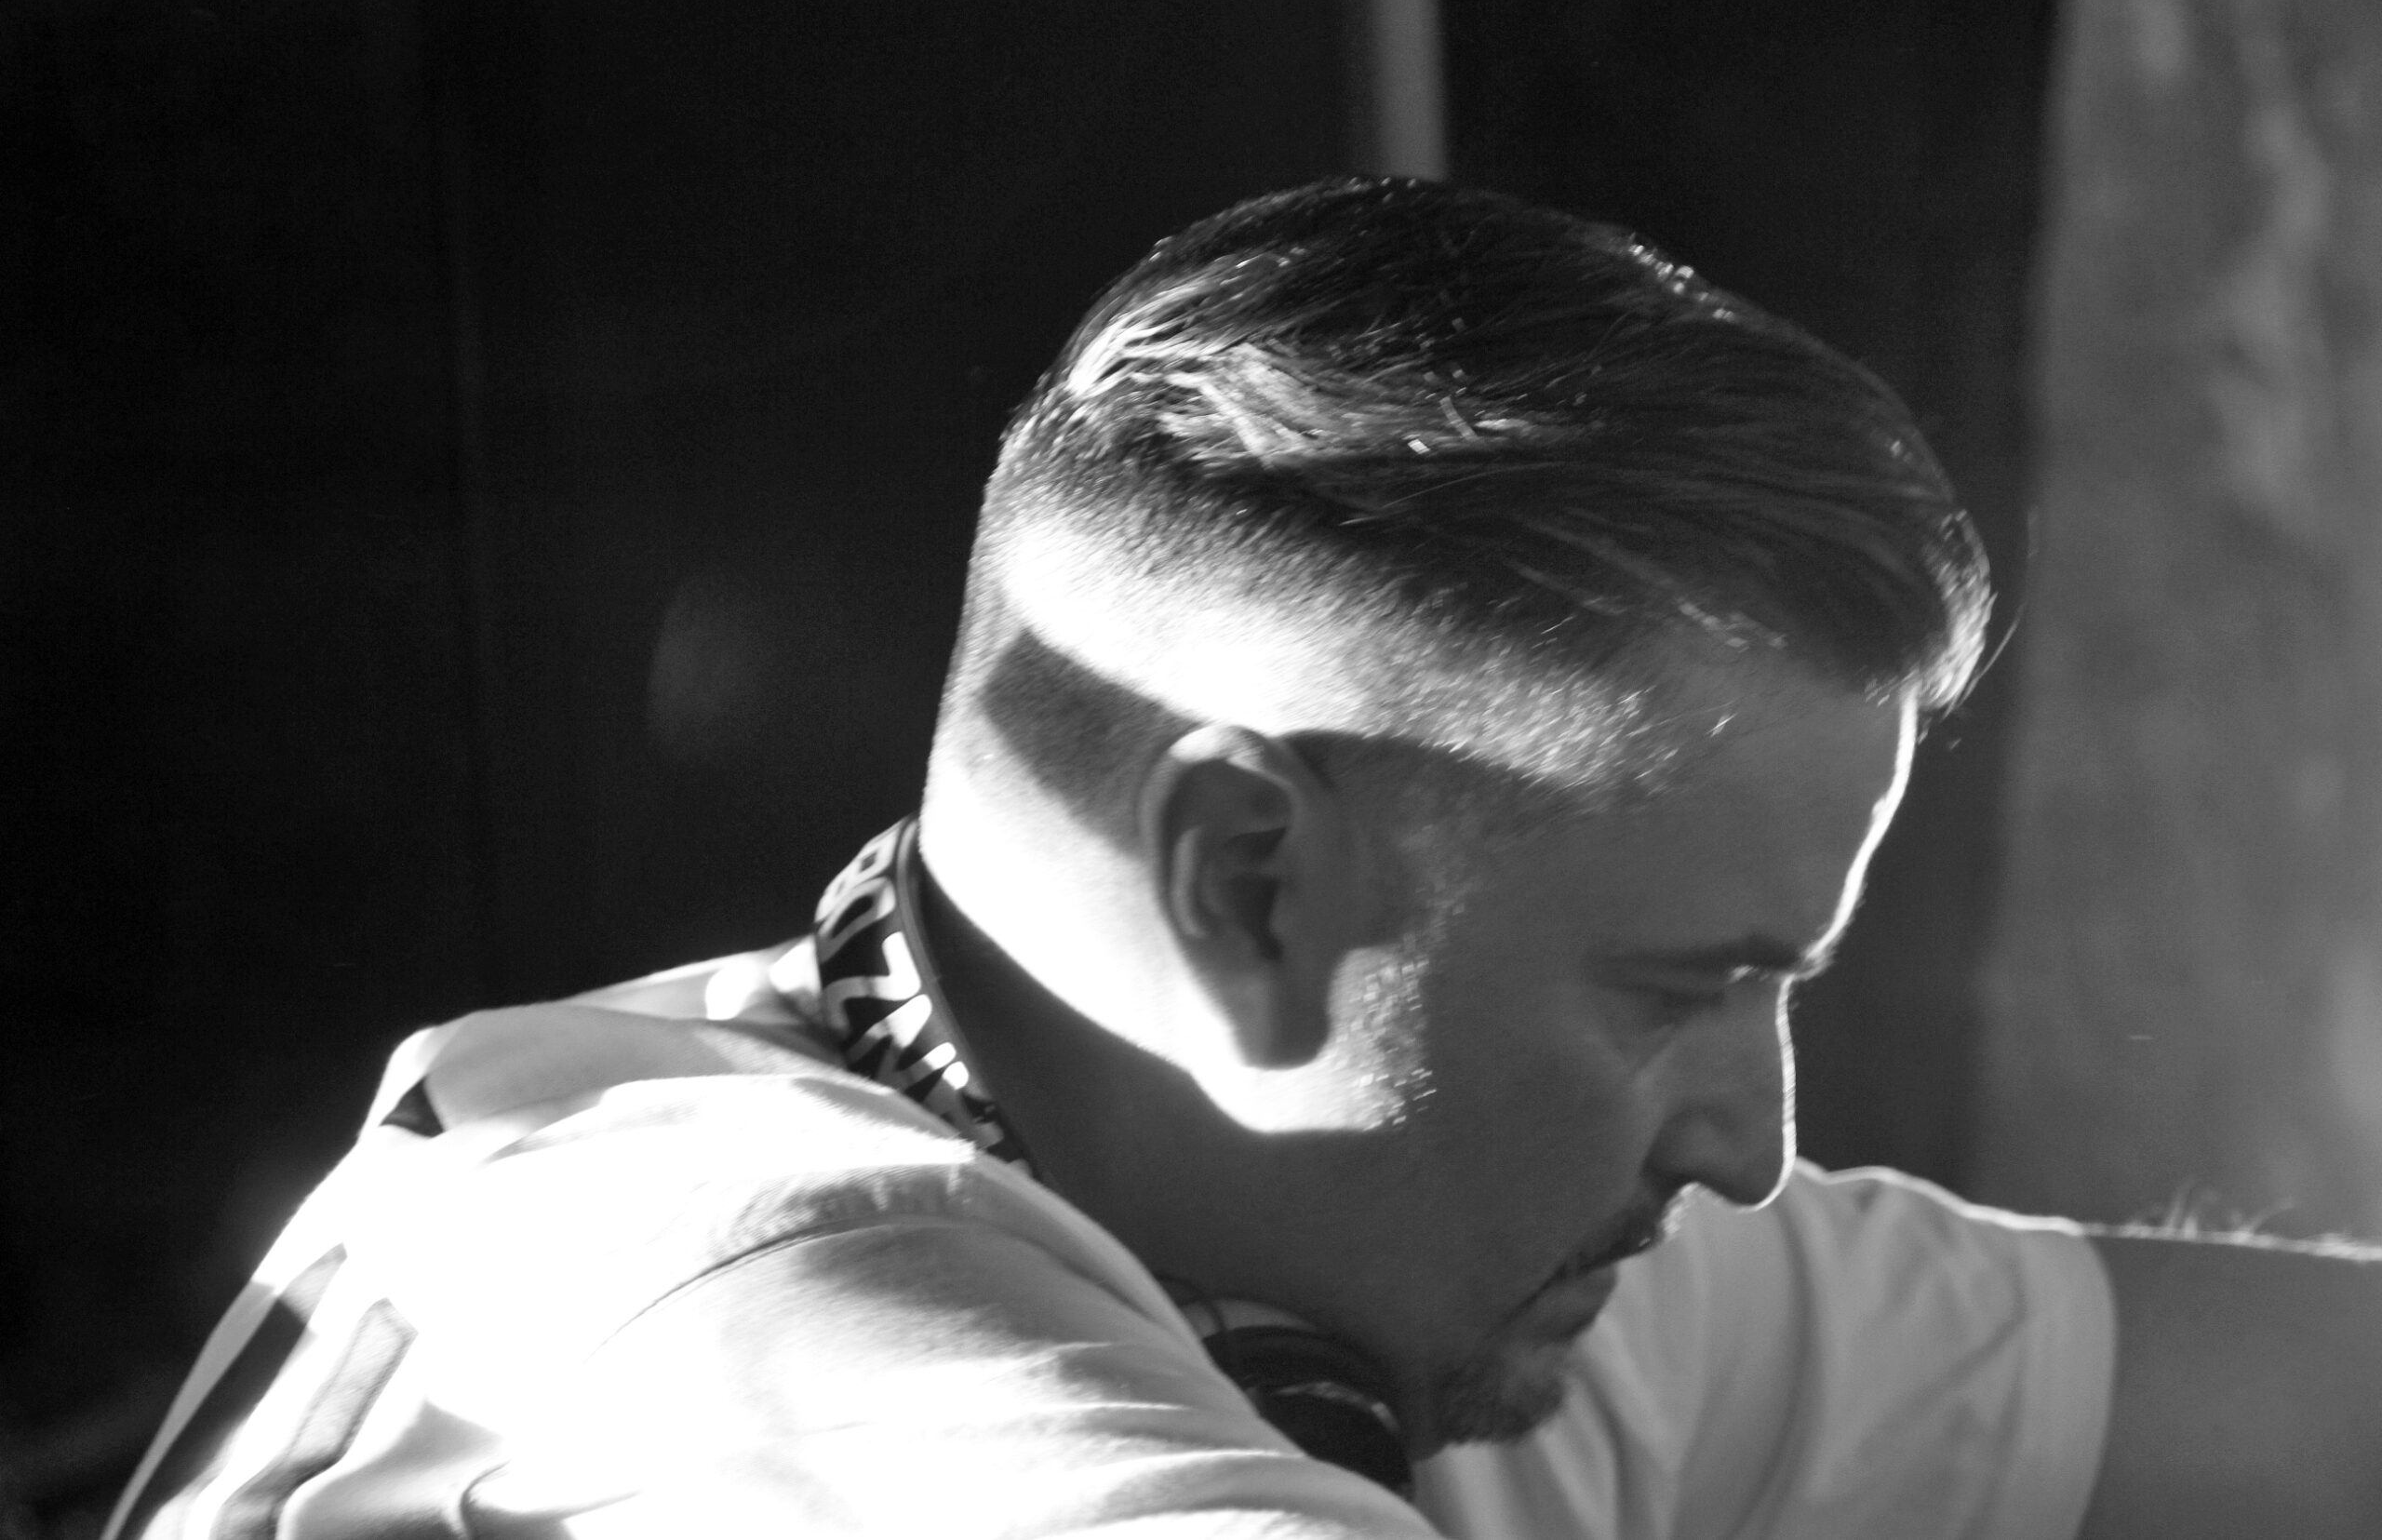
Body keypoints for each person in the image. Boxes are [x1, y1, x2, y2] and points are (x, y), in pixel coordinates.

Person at [106, 179, 2382, 1540]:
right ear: (1245, 880)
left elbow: (2308, 1404)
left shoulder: (1384, 1240)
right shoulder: (746, 1320)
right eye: (1680, 985)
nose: (1748, 1139)